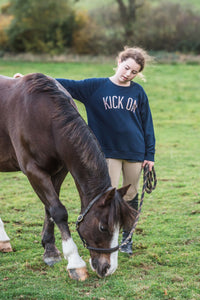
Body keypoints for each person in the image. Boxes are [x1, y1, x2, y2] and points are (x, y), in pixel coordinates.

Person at [14, 46, 156, 255]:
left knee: (130, 194)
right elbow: (62, 84)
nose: (128, 74)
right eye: (126, 68)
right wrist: (25, 79)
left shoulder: (138, 92)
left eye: (134, 72)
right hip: (107, 152)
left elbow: (147, 124)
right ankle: (109, 236)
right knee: (109, 197)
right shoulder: (95, 87)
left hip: (135, 150)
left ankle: (128, 238)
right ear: (119, 62)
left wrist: (149, 155)